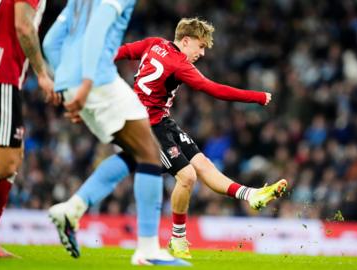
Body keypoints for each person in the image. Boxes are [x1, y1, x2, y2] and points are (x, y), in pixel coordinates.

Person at [54, 17, 287, 260]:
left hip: (161, 122)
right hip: (147, 128)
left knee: (203, 165)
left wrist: (89, 70)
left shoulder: (153, 43)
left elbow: (122, 52)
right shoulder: (179, 64)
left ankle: (250, 195)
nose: (203, 53)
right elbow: (213, 89)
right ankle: (174, 240)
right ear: (185, 41)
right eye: (201, 46)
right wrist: (256, 97)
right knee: (186, 176)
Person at [42, 0, 187, 266]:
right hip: (98, 80)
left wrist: (66, 84)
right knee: (150, 153)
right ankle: (148, 249)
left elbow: (51, 42)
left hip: (72, 81)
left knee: (137, 153)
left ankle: (72, 209)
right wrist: (85, 84)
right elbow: (97, 30)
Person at [0, 0, 56, 258]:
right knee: (5, 162)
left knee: (12, 158)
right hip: (1, 74)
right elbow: (24, 26)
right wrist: (42, 73)